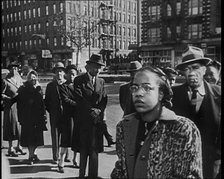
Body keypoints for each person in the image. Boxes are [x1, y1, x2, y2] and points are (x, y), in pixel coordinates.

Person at [111, 66, 203, 179]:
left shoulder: (183, 129)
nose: (139, 93)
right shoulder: (124, 127)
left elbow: (191, 175)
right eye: (135, 88)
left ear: (161, 94)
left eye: (147, 88)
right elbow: (121, 169)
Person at [171, 46, 221, 179]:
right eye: (187, 69)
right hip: (180, 168)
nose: (191, 73)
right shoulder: (172, 96)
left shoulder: (219, 95)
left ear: (204, 70)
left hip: (212, 167)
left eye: (195, 67)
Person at [73, 54, 107, 178]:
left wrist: (98, 111)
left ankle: (93, 175)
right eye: (95, 67)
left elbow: (104, 99)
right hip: (84, 122)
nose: (97, 70)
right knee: (83, 150)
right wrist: (91, 110)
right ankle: (81, 175)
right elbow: (79, 98)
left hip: (96, 122)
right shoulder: (79, 80)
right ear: (88, 67)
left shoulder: (101, 81)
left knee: (94, 151)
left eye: (99, 68)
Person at [14, 70, 47, 165]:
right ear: (28, 79)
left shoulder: (39, 88)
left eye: (34, 77)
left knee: (37, 137)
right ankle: (31, 156)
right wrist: (21, 117)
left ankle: (34, 154)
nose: (33, 79)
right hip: (27, 117)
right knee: (29, 138)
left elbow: (42, 103)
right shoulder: (23, 88)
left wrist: (44, 116)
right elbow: (19, 104)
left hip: (38, 117)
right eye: (31, 77)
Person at [45, 62, 68, 164]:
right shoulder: (50, 86)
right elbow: (47, 101)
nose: (59, 73)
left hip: (66, 114)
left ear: (64, 73)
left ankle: (65, 156)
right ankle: (55, 156)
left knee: (66, 134)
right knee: (55, 135)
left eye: (61, 71)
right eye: (57, 71)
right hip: (54, 114)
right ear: (54, 73)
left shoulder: (67, 84)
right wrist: (52, 110)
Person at [57, 64, 79, 173]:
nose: (72, 76)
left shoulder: (78, 87)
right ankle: (61, 162)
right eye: (70, 74)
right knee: (65, 140)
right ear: (66, 74)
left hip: (77, 117)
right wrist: (78, 104)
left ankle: (75, 159)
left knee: (76, 139)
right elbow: (65, 100)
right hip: (67, 117)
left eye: (74, 74)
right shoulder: (62, 86)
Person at [1, 62, 26, 157]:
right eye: (12, 68)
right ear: (9, 70)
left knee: (20, 126)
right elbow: (2, 94)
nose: (14, 70)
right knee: (11, 126)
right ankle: (10, 148)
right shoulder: (5, 81)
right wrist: (9, 98)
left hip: (20, 105)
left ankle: (19, 146)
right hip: (10, 106)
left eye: (15, 68)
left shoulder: (20, 79)